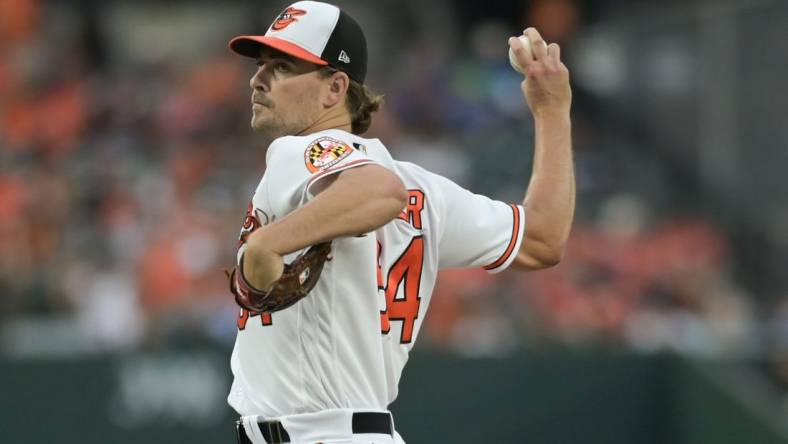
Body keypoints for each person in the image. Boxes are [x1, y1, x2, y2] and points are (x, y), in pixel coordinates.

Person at [226, 1, 574, 443]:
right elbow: (542, 238)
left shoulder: (299, 152)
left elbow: (379, 192)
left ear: (335, 88)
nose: (257, 79)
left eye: (281, 66)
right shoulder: (427, 191)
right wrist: (553, 113)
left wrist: (265, 245)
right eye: (260, 65)